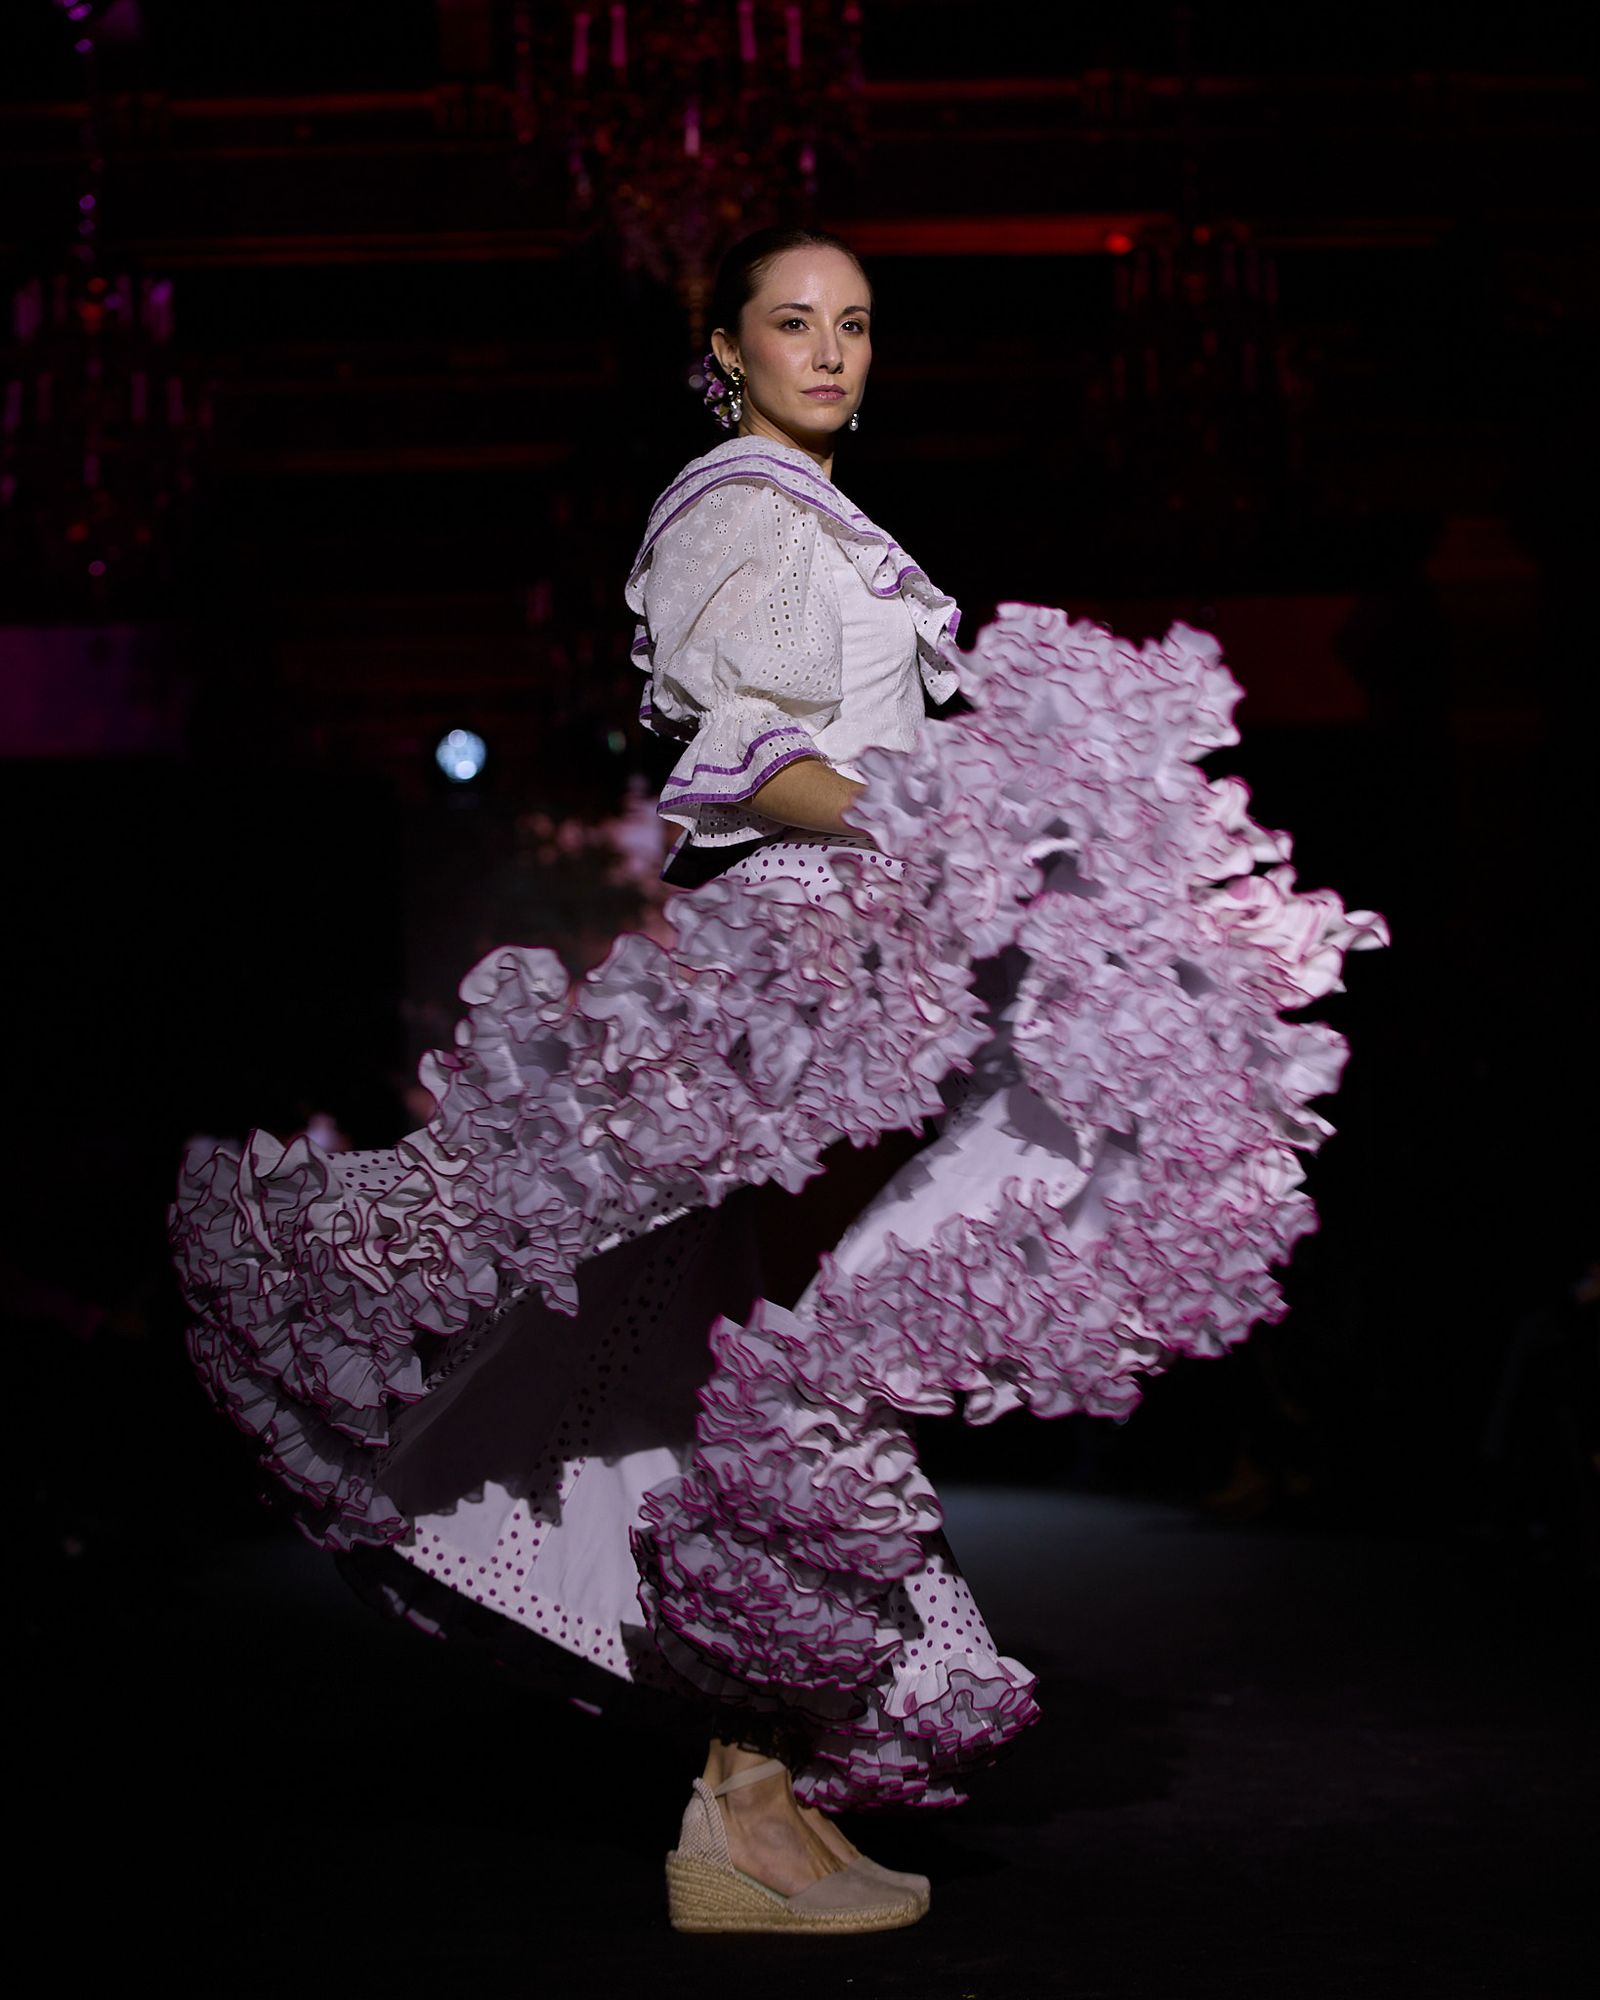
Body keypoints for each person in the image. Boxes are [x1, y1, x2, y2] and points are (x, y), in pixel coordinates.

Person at [168, 226, 1386, 1937]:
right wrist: (938, 829)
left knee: (773, 1363)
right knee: (800, 1358)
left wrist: (977, 839)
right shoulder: (733, 508)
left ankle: (751, 1795)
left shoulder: (820, 518)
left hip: (872, 957)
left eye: (858, 325)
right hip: (815, 983)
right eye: (795, 324)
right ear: (726, 348)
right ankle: (738, 1805)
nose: (833, 351)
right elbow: (745, 761)